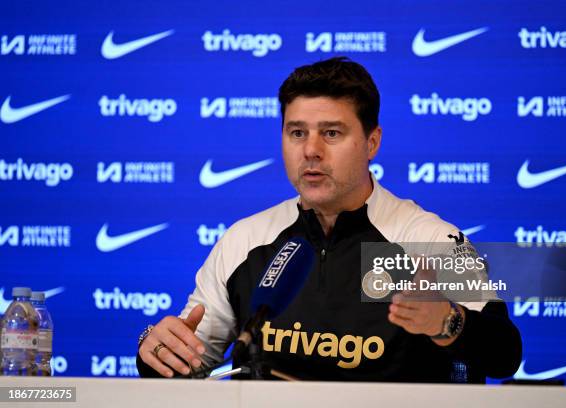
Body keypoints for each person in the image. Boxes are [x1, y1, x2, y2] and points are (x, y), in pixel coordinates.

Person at [136, 57, 522, 382]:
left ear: (372, 143)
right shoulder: (246, 240)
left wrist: (446, 322)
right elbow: (186, 361)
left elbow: (505, 353)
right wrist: (156, 351)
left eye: (332, 133)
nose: (311, 151)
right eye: (297, 132)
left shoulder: (426, 239)